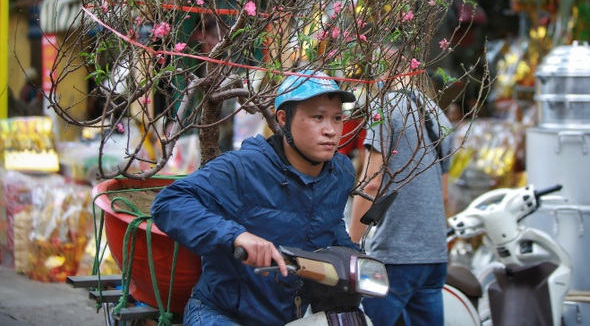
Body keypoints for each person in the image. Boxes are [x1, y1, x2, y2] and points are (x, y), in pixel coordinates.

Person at [151, 70, 359, 326]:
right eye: (318, 117)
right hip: (220, 314)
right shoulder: (243, 167)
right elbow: (169, 203)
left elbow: (331, 225)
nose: (330, 130)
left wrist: (353, 256)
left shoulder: (341, 173)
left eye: (337, 118)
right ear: (283, 119)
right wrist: (236, 236)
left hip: (290, 317)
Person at [348, 65, 453, 326]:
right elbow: (444, 196)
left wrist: (349, 243)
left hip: (396, 253)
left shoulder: (384, 108)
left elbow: (371, 183)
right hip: (434, 253)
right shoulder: (440, 118)